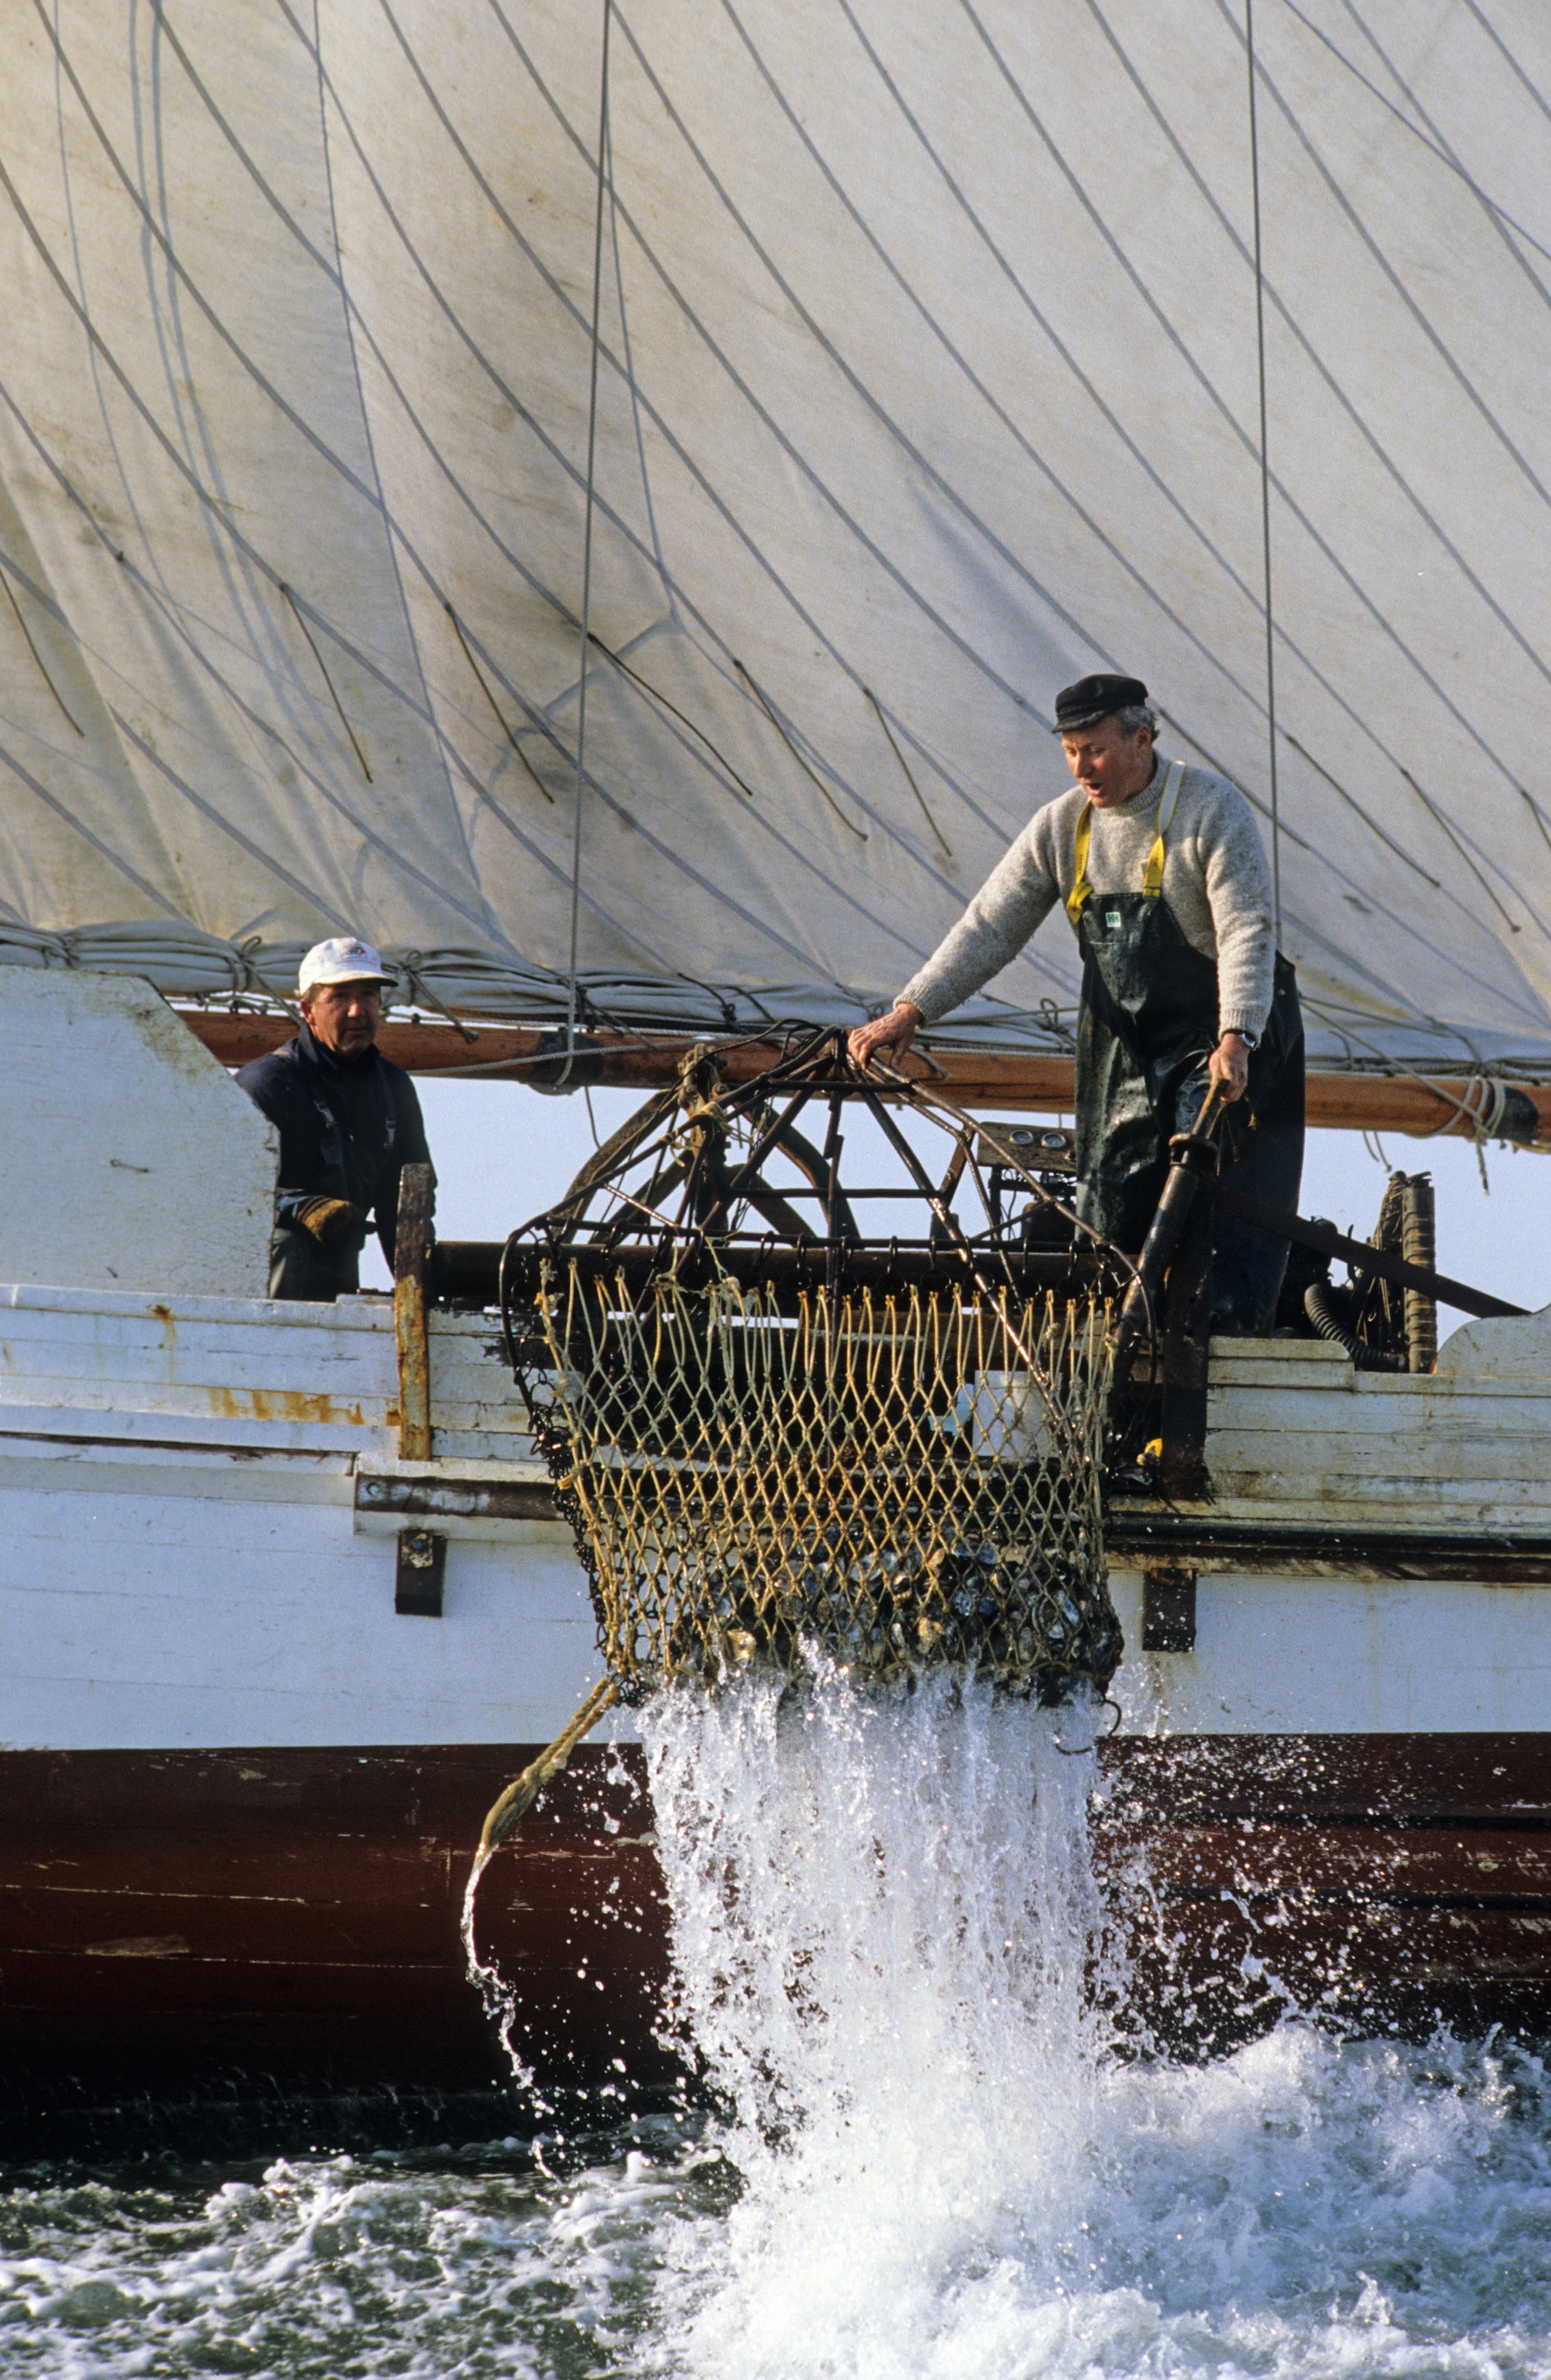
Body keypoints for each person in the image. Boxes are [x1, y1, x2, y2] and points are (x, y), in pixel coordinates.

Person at [849, 674, 1304, 1333]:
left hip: (1223, 1042)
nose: (1080, 767)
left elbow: (1246, 930)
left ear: (1141, 738)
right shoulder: (1062, 827)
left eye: (1094, 749)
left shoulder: (1210, 809)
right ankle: (1117, 1354)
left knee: (1213, 1205)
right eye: (1069, 750)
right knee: (1109, 1218)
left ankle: (1213, 1353)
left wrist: (1238, 1035)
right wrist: (911, 1010)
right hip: (1123, 1047)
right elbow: (989, 927)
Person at [237, 938, 434, 1303]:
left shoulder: (394, 1089)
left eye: (368, 995)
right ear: (308, 1010)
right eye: (339, 997)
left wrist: (422, 1297)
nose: (357, 1010)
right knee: (286, 1246)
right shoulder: (265, 1084)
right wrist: (300, 1207)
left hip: (341, 1276)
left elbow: (405, 1211)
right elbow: (221, 1187)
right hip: (259, 1280)